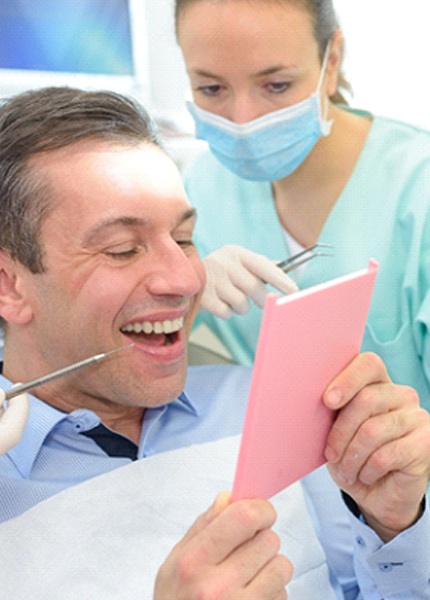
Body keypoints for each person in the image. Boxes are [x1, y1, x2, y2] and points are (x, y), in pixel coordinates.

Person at [0, 87, 429, 599]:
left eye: (184, 240)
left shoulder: (260, 405)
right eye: (122, 250)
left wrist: (395, 524)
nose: (184, 280)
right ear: (10, 285)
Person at [175, 0, 430, 413]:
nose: (244, 119)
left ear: (331, 62)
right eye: (211, 88)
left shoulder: (417, 187)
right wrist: (186, 293)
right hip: (276, 471)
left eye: (276, 85)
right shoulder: (199, 190)